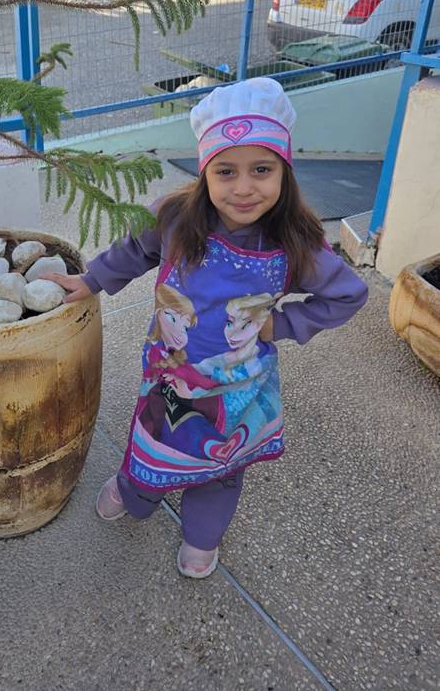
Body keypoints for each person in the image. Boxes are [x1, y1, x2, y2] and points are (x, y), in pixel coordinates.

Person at [46, 77, 368, 579]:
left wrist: (282, 323)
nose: (243, 187)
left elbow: (348, 294)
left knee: (221, 467)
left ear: (285, 171)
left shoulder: (296, 242)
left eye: (261, 169)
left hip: (238, 386)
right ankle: (135, 491)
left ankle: (202, 539)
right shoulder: (175, 217)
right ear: (204, 172)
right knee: (154, 441)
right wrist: (91, 280)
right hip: (169, 372)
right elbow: (134, 250)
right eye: (226, 171)